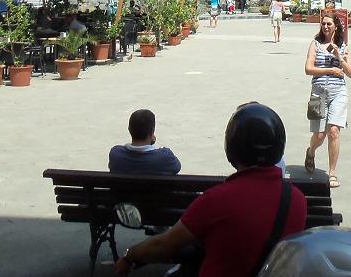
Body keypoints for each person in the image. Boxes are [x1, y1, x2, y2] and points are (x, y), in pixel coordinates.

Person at [115, 103, 306, 276]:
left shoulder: (218, 199)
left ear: (232, 146)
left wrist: (129, 256)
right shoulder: (297, 200)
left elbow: (164, 245)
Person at [304, 14, 351, 189]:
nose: (325, 26)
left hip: (338, 92)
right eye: (323, 24)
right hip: (318, 93)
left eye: (329, 24)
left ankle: (332, 173)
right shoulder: (315, 44)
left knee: (333, 131)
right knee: (319, 135)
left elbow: (350, 72)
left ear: (336, 27)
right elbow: (308, 69)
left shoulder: (343, 46)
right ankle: (310, 152)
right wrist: (331, 70)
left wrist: (338, 56)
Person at [109, 109, 182, 176]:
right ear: (152, 131)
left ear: (129, 129)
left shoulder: (116, 154)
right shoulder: (165, 157)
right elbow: (176, 168)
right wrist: (151, 144)